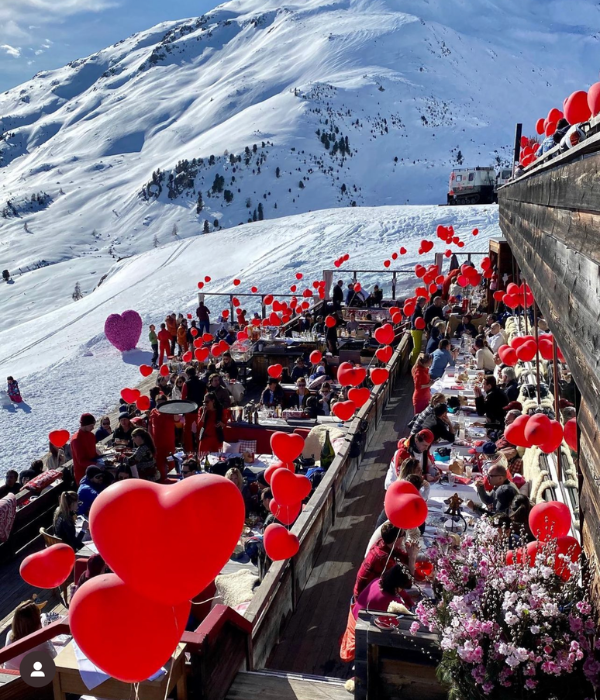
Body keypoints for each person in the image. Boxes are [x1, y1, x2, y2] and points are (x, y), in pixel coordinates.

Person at [341, 565, 413, 664]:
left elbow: (401, 592)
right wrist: (411, 606)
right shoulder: (391, 599)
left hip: (353, 615)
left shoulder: (377, 581)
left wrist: (410, 601)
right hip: (359, 628)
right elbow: (408, 612)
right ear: (397, 586)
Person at [353, 523, 411, 597]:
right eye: (403, 535)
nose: (404, 537)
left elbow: (402, 557)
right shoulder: (384, 559)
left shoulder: (382, 542)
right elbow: (407, 581)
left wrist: (409, 553)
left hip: (367, 590)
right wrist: (412, 557)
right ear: (397, 539)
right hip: (366, 598)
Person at [3, 600, 58, 671]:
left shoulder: (10, 635)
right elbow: (55, 660)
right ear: (36, 622)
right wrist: (46, 635)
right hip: (27, 680)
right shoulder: (41, 643)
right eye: (39, 617)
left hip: (9, 676)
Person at [149, 395, 176, 480]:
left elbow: (177, 419)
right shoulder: (153, 412)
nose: (159, 405)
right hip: (157, 446)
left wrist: (175, 409)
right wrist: (150, 440)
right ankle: (162, 483)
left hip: (169, 446)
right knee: (159, 467)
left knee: (172, 466)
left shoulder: (171, 412)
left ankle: (174, 483)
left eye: (162, 403)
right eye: (158, 403)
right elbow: (150, 426)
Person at [181, 366, 208, 452]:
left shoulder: (186, 384)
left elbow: (183, 398)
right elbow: (206, 396)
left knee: (187, 430)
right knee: (200, 428)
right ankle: (201, 447)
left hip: (190, 409)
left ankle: (189, 449)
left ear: (187, 374)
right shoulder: (202, 383)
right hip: (200, 409)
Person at [71, 413, 102, 485]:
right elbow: (81, 461)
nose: (93, 427)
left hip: (95, 470)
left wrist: (101, 459)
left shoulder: (91, 435)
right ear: (85, 425)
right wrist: (96, 464)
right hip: (83, 474)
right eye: (91, 425)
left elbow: (93, 452)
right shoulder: (76, 440)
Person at [410, 297, 427, 365]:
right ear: (422, 303)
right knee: (417, 348)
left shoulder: (417, 309)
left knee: (417, 347)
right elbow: (415, 321)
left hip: (416, 330)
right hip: (416, 330)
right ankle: (413, 362)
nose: (425, 304)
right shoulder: (417, 310)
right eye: (424, 303)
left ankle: (413, 361)